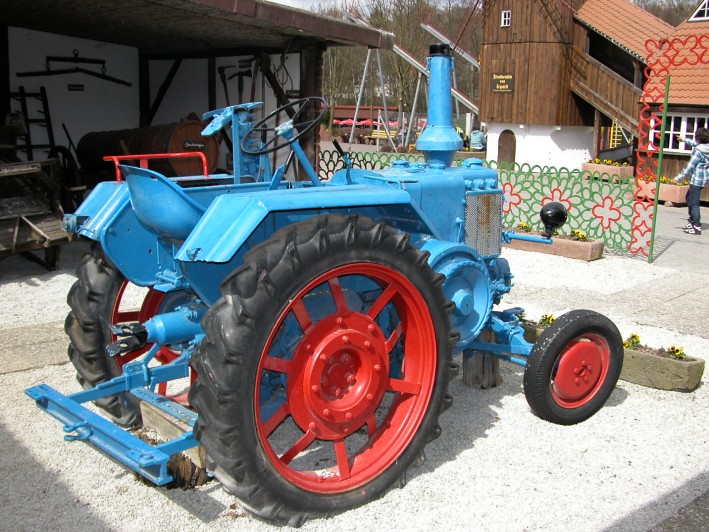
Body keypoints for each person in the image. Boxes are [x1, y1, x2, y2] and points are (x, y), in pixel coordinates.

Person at [674, 127, 709, 236]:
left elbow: (690, 166)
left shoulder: (698, 152)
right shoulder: (706, 147)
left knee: (693, 203)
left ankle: (696, 227)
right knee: (689, 198)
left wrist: (678, 178)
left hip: (696, 180)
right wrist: (684, 139)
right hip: (703, 179)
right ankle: (692, 222)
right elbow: (696, 144)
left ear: (698, 137)